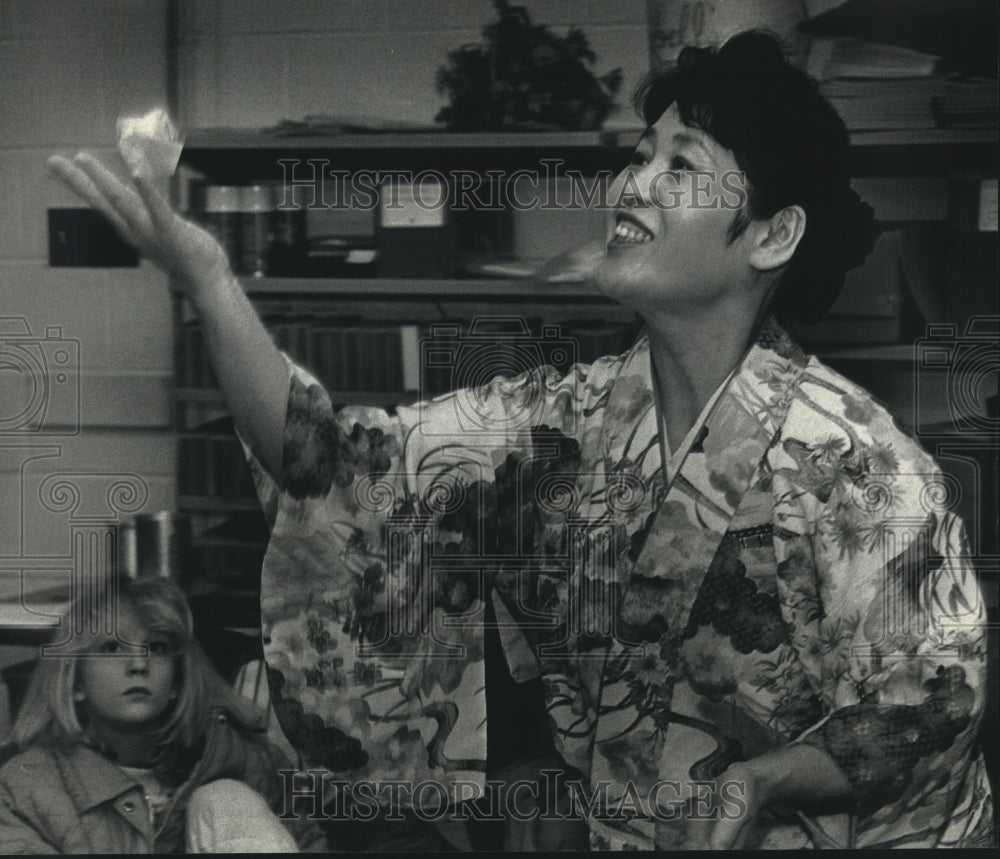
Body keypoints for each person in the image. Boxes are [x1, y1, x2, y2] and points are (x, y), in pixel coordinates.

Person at [47, 30, 993, 850]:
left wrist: (769, 777)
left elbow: (933, 700)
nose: (633, 182)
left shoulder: (863, 468)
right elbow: (330, 462)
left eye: (682, 165)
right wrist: (211, 279)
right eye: (639, 154)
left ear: (773, 234)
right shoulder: (562, 421)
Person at [0, 576, 327, 853]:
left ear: (176, 680)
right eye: (113, 648)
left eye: (156, 648)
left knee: (226, 797)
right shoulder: (27, 786)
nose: (139, 665)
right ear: (76, 681)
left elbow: (307, 843)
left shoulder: (244, 762)